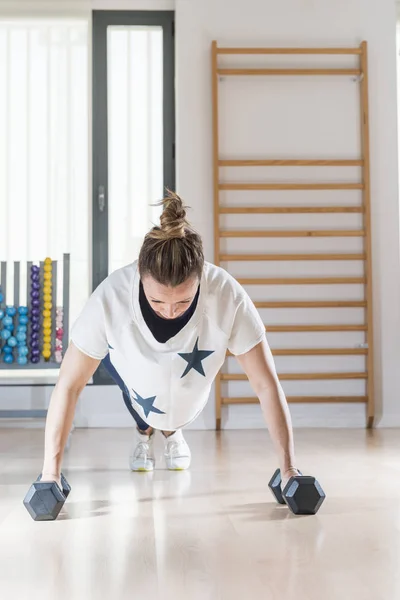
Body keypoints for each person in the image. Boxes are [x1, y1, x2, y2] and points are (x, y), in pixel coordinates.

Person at [41, 192, 300, 489]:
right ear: (139, 272)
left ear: (201, 277)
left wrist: (289, 470)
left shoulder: (227, 295)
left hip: (187, 395)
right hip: (133, 367)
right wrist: (50, 473)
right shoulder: (110, 297)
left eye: (183, 302)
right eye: (157, 301)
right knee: (140, 386)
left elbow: (266, 385)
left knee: (170, 392)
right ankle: (144, 432)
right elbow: (69, 385)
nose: (169, 312)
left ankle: (171, 432)